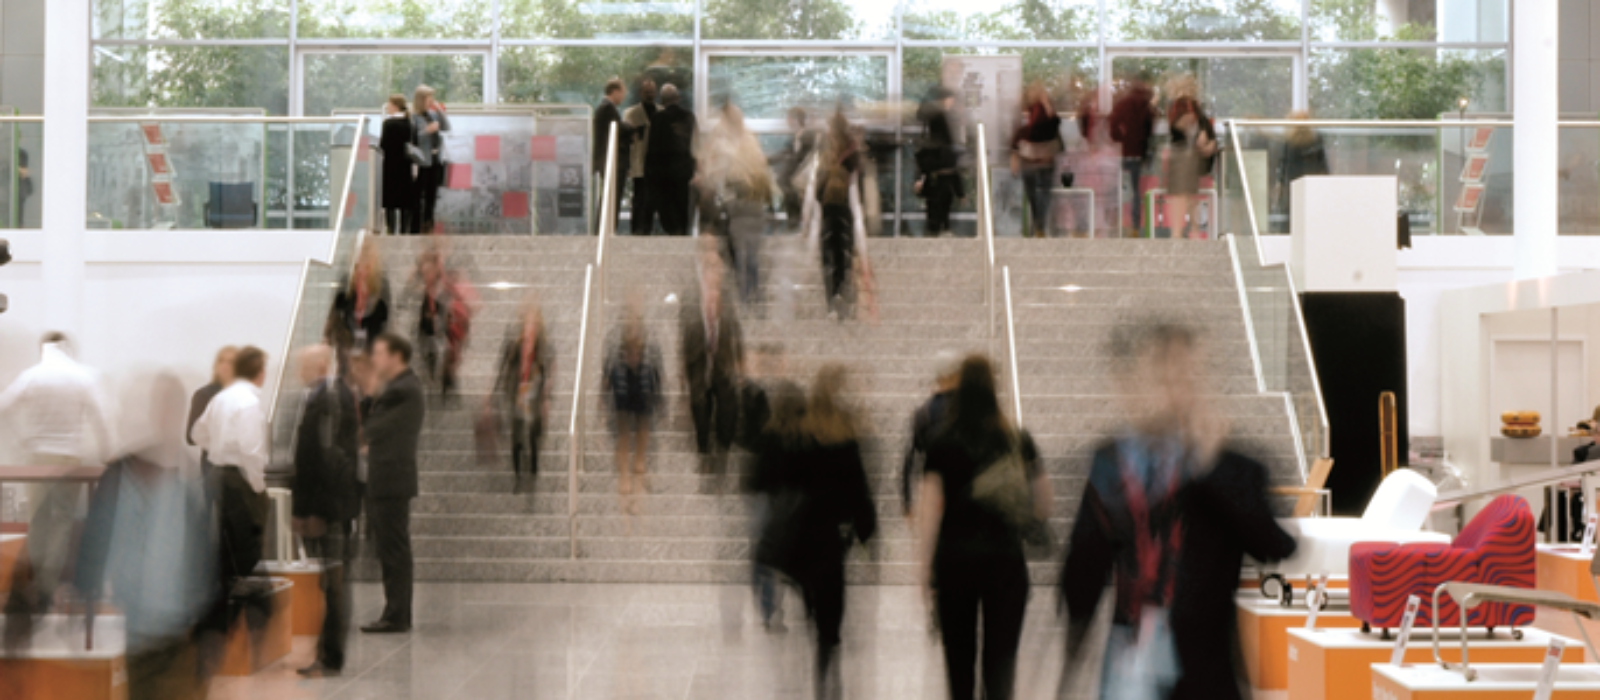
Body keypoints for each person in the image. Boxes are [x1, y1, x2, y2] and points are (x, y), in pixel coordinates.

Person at [1060, 323, 1296, 700]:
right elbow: (1084, 567)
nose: (1172, 388)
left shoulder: (1233, 466)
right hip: (1130, 659)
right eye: (1160, 373)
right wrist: (1072, 651)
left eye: (1185, 374)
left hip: (1204, 670)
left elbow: (1276, 545)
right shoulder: (1112, 462)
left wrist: (1210, 465)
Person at [73, 373, 221, 700]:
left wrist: (211, 626)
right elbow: (95, 535)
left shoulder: (187, 479)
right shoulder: (120, 477)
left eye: (173, 408)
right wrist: (82, 585)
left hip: (180, 636)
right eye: (161, 406)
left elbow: (207, 556)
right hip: (139, 634)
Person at [916, 355, 1051, 700]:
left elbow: (928, 511)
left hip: (955, 562)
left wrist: (923, 569)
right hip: (1005, 563)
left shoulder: (941, 441)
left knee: (958, 664)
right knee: (1000, 665)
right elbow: (1045, 501)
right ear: (995, 388)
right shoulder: (1017, 440)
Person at [763, 366, 877, 700]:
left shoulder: (800, 436)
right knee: (830, 621)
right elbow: (859, 493)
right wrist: (866, 532)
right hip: (829, 540)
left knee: (815, 606)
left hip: (799, 540)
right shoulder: (846, 441)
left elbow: (780, 482)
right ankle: (825, 675)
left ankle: (817, 661)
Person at [0, 332, 112, 626]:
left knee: (38, 523)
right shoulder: (82, 376)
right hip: (68, 460)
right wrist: (107, 454)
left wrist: (22, 440)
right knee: (61, 524)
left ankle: (33, 589)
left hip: (37, 457)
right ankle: (48, 590)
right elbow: (101, 416)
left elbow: (3, 406)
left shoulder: (31, 376)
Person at [289, 345, 361, 677]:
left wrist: (315, 511)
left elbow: (327, 461)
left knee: (334, 583)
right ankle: (326, 653)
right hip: (327, 506)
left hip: (330, 510)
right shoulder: (320, 399)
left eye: (303, 364)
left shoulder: (327, 401)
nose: (299, 370)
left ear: (318, 364)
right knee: (329, 583)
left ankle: (331, 657)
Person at [190, 345, 271, 595]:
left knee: (225, 544)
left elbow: (197, 433)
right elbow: (251, 451)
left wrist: (218, 448)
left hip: (216, 475)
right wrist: (258, 487)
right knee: (247, 547)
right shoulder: (248, 403)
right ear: (259, 372)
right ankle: (247, 607)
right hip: (239, 479)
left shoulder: (220, 398)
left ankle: (226, 603)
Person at [361, 333, 426, 634]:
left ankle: (397, 614)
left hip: (391, 478)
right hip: (390, 477)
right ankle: (395, 611)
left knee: (394, 549)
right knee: (390, 548)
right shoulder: (401, 388)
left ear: (396, 356)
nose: (374, 359)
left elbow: (372, 429)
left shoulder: (402, 390)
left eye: (379, 353)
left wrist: (370, 393)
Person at [679, 244, 743, 482]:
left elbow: (737, 332)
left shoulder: (726, 304)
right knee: (700, 406)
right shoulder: (692, 302)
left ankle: (722, 459)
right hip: (698, 363)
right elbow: (685, 336)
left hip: (722, 364)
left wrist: (740, 362)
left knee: (727, 409)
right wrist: (681, 372)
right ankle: (704, 451)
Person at [699, 104, 773, 306]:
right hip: (747, 203)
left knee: (743, 253)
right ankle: (751, 294)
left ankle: (748, 295)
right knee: (747, 253)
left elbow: (717, 172)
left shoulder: (728, 142)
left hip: (740, 203)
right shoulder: (746, 140)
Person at [737, 343, 784, 630]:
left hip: (779, 480)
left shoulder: (785, 393)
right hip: (763, 482)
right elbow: (744, 437)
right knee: (764, 546)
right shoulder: (751, 395)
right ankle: (768, 607)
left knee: (771, 545)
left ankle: (772, 605)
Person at [602, 306, 661, 514]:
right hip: (623, 387)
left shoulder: (648, 340)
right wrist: (604, 392)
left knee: (642, 429)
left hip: (642, 386)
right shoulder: (616, 341)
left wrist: (660, 396)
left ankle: (637, 469)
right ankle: (625, 477)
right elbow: (608, 365)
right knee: (624, 432)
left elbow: (656, 364)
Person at [808, 111, 867, 320]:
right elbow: (857, 192)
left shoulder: (824, 157)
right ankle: (844, 296)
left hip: (827, 214)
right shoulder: (852, 155)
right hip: (845, 213)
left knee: (828, 259)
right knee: (844, 258)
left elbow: (816, 194)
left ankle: (831, 301)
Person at [494, 299, 554, 495]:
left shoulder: (544, 345)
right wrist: (494, 391)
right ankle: (518, 477)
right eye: (527, 321)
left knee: (534, 435)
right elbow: (503, 366)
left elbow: (549, 372)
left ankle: (534, 470)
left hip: (534, 395)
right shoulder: (513, 341)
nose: (530, 326)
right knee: (516, 437)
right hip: (516, 393)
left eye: (533, 322)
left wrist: (547, 398)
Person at [901, 350, 961, 518]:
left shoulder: (924, 413)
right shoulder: (969, 410)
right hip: (965, 495)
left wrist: (906, 500)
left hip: (935, 493)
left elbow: (910, 458)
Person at [1163, 77, 1216, 240]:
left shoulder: (1193, 108)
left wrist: (1209, 143)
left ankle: (1189, 230)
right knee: (1182, 195)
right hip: (1183, 155)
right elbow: (1178, 126)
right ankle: (1181, 231)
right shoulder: (1180, 106)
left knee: (1187, 195)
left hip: (1189, 156)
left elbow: (1206, 131)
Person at [645, 83, 697, 236]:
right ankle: (682, 230)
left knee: (666, 203)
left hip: (663, 172)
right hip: (684, 169)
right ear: (678, 98)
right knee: (682, 201)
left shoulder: (657, 118)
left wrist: (649, 170)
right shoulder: (689, 117)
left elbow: (652, 147)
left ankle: (672, 230)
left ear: (662, 100)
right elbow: (696, 144)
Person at [1012, 83, 1062, 239]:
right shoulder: (1026, 111)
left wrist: (1046, 103)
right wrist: (1013, 155)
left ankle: (1039, 225)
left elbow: (1053, 124)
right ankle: (1038, 224)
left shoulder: (1046, 111)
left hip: (1043, 159)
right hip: (1030, 159)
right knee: (1034, 194)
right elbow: (1019, 134)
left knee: (1043, 193)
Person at [1109, 78, 1156, 236]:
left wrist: (1120, 138)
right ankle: (1134, 226)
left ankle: (1115, 223)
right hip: (1138, 154)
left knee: (1118, 188)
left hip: (1122, 152)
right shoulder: (1146, 106)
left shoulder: (1121, 104)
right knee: (1136, 191)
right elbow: (1149, 130)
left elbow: (1113, 127)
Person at [1272, 110, 1330, 233]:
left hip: (1310, 183)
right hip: (1294, 182)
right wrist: (1280, 183)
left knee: (1309, 212)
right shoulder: (1290, 141)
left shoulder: (1315, 139)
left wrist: (1325, 183)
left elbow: (1322, 163)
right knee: (1293, 211)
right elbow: (1283, 163)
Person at [916, 88, 964, 238]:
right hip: (938, 168)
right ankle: (938, 229)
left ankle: (937, 229)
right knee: (937, 206)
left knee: (939, 206)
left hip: (938, 169)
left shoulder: (940, 118)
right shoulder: (939, 117)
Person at [187, 345, 238, 482]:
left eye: (231, 362)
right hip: (214, 469)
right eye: (222, 361)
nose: (225, 366)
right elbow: (190, 436)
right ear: (216, 365)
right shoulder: (204, 395)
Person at [411, 84, 451, 234]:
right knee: (418, 196)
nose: (431, 100)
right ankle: (415, 228)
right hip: (421, 162)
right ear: (422, 99)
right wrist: (427, 131)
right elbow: (412, 138)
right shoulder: (414, 117)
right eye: (429, 97)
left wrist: (439, 110)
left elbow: (446, 127)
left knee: (431, 196)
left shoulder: (433, 115)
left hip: (435, 160)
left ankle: (428, 226)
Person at [593, 77, 631, 232]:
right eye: (622, 92)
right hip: (611, 161)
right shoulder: (607, 108)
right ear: (615, 91)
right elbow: (614, 132)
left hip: (608, 160)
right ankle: (605, 230)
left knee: (610, 198)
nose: (623, 96)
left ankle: (605, 229)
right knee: (611, 198)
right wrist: (631, 130)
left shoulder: (605, 108)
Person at [623, 79, 659, 235]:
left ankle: (649, 229)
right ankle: (637, 229)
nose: (650, 95)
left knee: (652, 199)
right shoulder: (631, 113)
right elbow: (625, 139)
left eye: (652, 91)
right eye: (646, 92)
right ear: (640, 93)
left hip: (656, 164)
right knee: (639, 198)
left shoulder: (661, 111)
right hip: (639, 162)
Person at [777, 107, 820, 230]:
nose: (787, 121)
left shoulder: (807, 136)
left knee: (784, 183)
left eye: (789, 118)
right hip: (800, 174)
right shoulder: (799, 135)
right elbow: (788, 152)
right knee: (783, 182)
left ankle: (794, 217)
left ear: (796, 119)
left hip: (805, 175)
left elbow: (799, 158)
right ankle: (794, 217)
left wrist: (786, 172)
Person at [379, 94, 415, 235]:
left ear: (395, 106)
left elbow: (383, 145)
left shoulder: (388, 124)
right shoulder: (409, 124)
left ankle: (391, 229)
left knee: (390, 201)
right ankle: (405, 230)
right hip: (405, 165)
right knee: (405, 199)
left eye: (389, 104)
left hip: (390, 166)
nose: (387, 107)